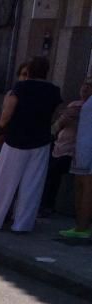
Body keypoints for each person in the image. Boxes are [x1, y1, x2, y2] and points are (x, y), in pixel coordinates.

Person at [0, 56, 62, 233]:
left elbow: (7, 114)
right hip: (41, 141)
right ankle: (22, 224)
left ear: (30, 70)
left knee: (4, 181)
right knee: (32, 185)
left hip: (16, 139)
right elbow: (54, 115)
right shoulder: (54, 90)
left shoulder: (21, 87)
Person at [42, 77, 92, 216]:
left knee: (53, 173)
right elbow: (59, 123)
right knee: (48, 173)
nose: (85, 88)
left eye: (90, 86)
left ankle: (47, 206)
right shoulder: (74, 105)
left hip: (74, 151)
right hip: (60, 146)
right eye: (84, 84)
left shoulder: (84, 108)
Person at [60, 79, 92, 239]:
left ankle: (82, 227)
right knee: (80, 185)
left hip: (88, 148)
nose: (86, 88)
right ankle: (80, 225)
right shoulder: (83, 104)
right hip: (82, 147)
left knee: (86, 187)